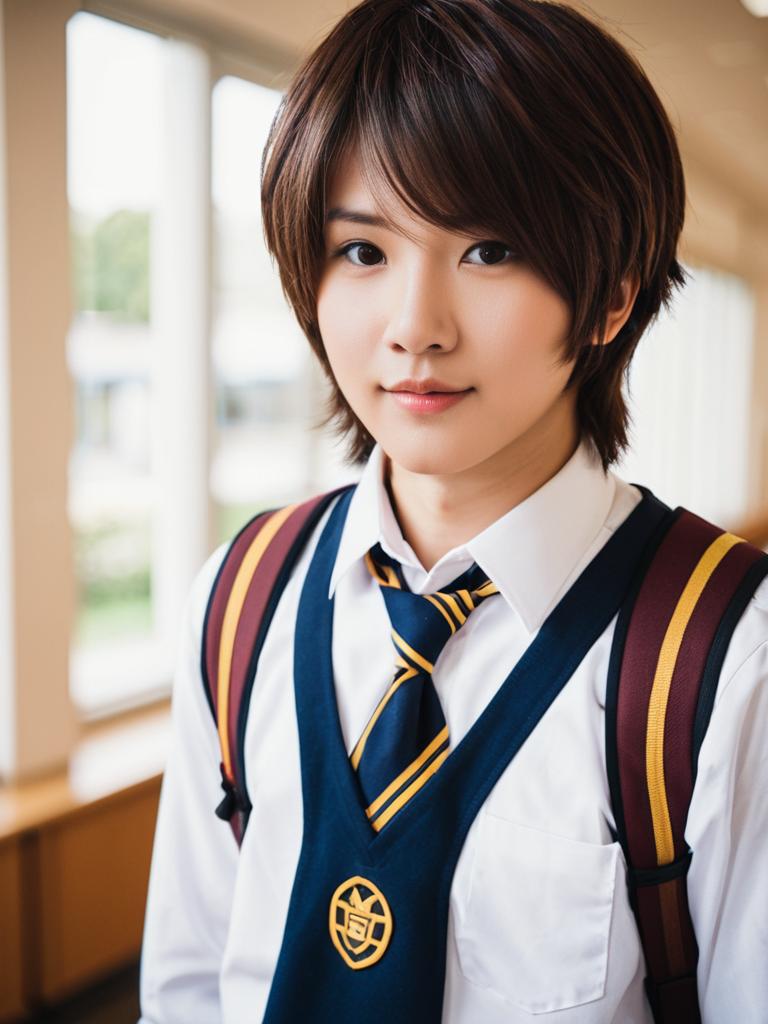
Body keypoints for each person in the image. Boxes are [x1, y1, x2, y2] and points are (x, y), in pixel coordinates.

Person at [137, 1, 768, 1022]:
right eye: (362, 252)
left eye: (488, 251)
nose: (414, 329)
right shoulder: (243, 597)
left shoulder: (726, 657)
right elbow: (187, 991)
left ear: (609, 292)